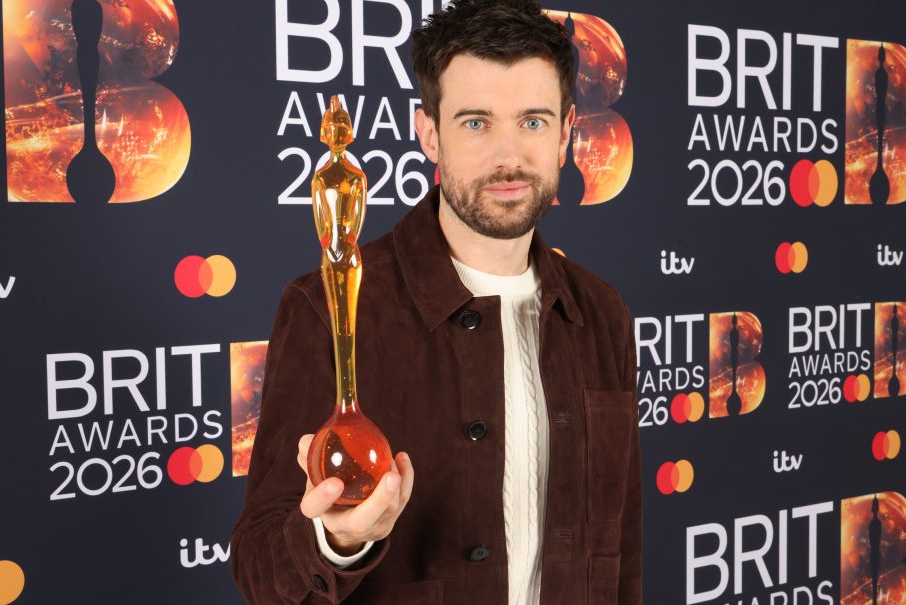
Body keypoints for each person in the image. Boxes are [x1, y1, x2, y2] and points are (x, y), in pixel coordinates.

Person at [230, 1, 642, 603]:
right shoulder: (330, 309)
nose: (509, 156)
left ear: (566, 134)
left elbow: (622, 555)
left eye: (532, 121)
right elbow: (259, 567)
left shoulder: (602, 315)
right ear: (429, 133)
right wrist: (335, 542)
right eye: (477, 122)